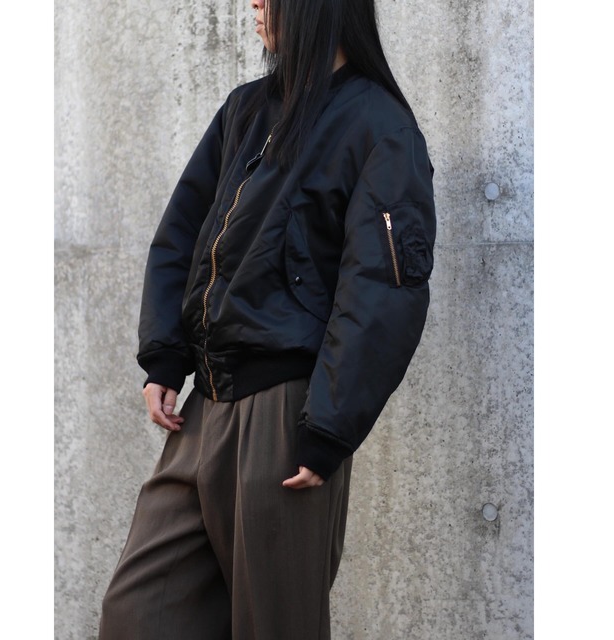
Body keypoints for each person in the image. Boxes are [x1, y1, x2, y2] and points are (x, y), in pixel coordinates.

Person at [98, 0, 436, 637]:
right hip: (205, 406)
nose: (253, 2)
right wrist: (164, 356)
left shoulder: (379, 126)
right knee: (140, 613)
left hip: (287, 414)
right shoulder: (246, 110)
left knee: (275, 625)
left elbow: (383, 292)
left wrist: (328, 428)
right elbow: (180, 234)